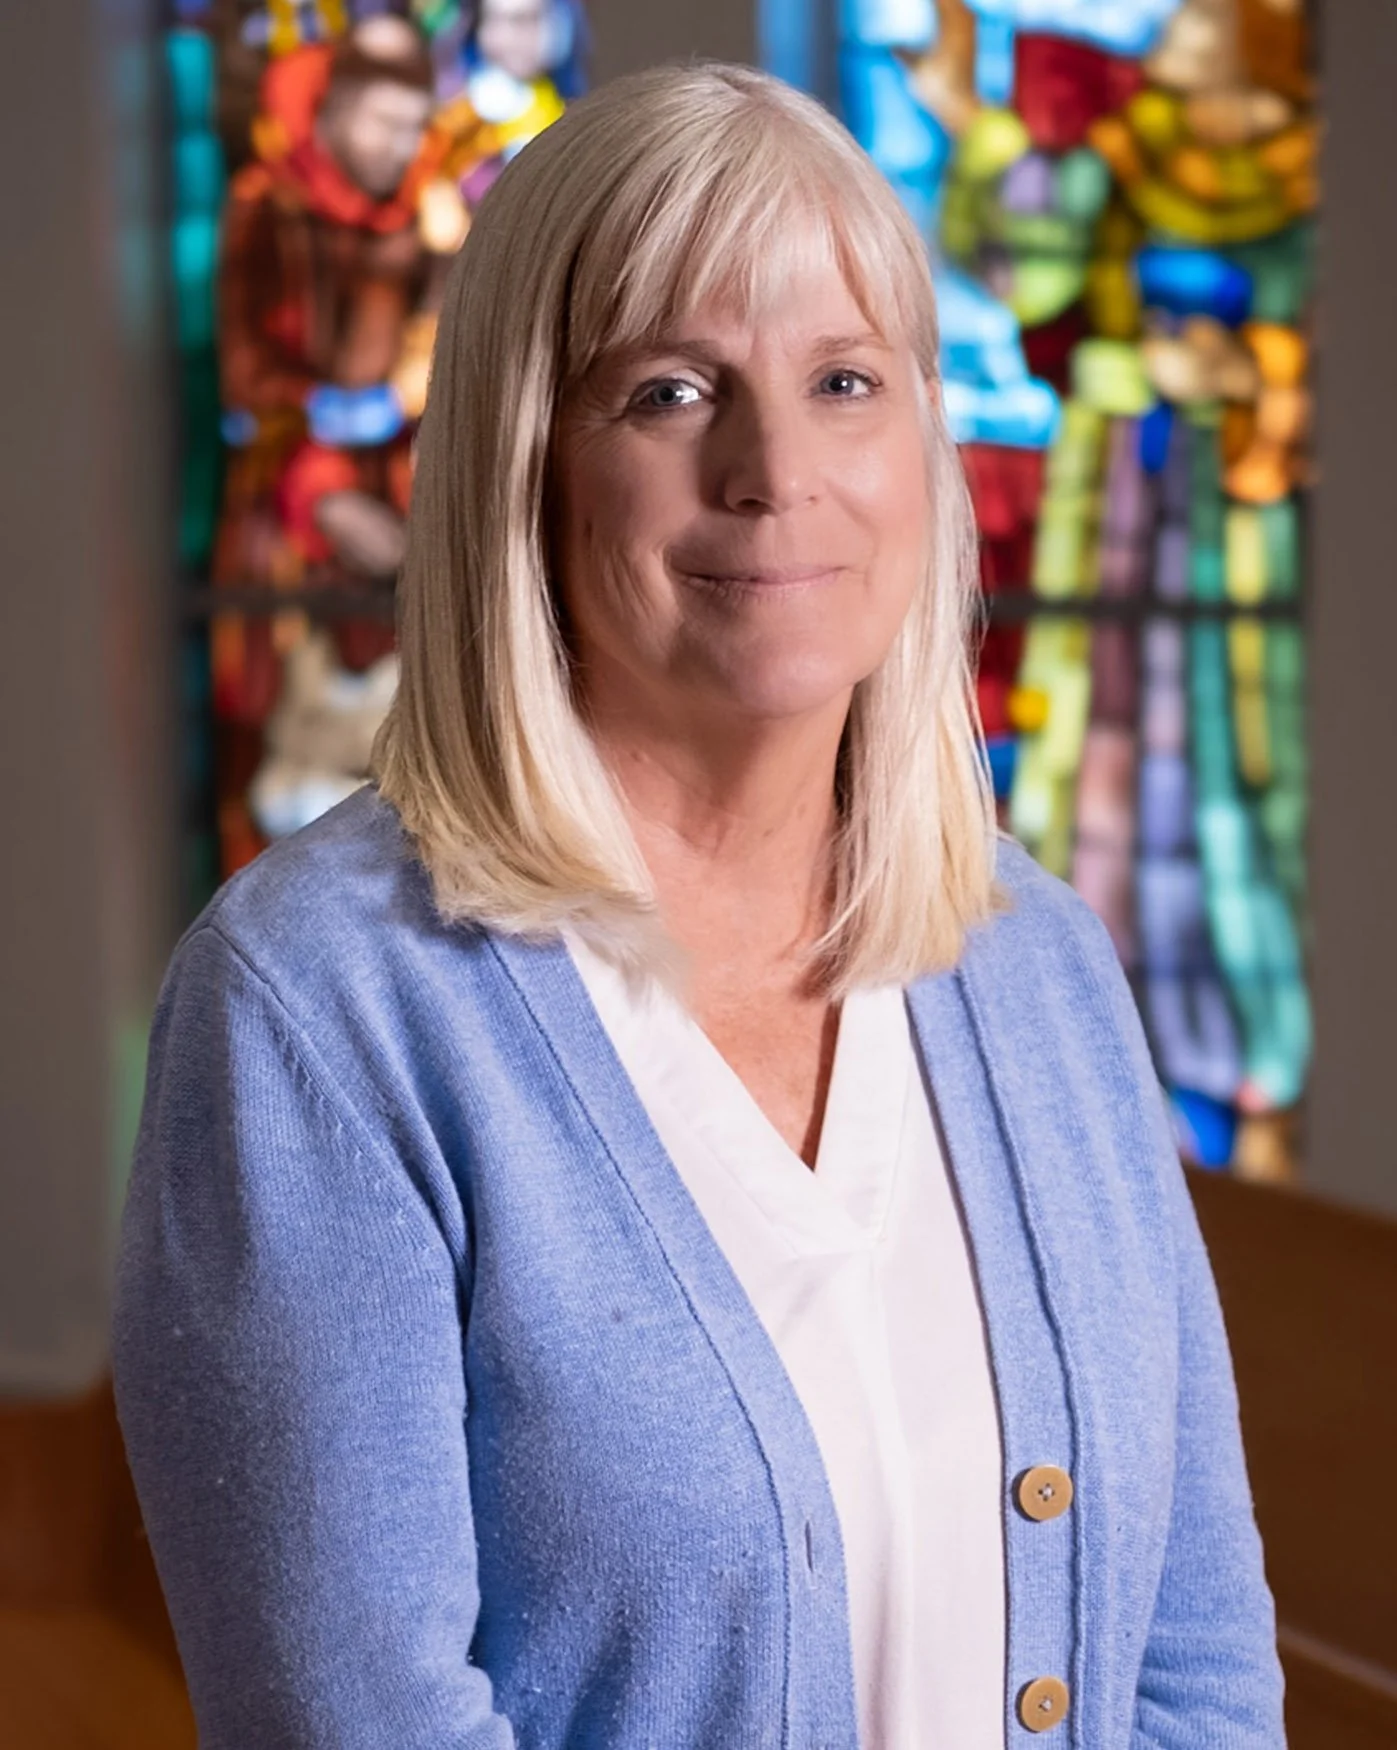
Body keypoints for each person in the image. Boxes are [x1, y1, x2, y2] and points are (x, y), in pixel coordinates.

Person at [113, 61, 1284, 1749]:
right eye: (669, 391)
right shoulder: (322, 1010)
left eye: (844, 380)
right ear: (526, 463)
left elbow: (1197, 1667)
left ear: (927, 444)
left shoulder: (1035, 961)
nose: (773, 469)